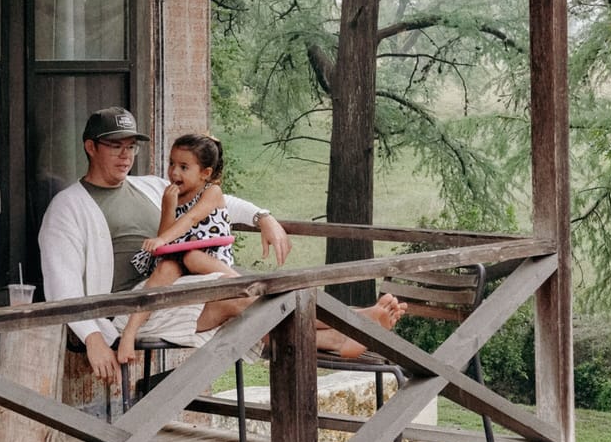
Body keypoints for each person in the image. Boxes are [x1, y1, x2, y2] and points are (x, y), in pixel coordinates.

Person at [39, 106, 406, 387]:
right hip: (126, 310)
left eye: (131, 147)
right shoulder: (69, 207)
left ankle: (335, 338)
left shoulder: (150, 186)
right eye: (115, 146)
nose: (125, 155)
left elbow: (217, 201)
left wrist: (264, 218)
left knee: (256, 294)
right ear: (90, 147)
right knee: (235, 294)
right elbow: (62, 286)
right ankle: (352, 322)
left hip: (174, 289)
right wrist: (92, 338)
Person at [118, 133, 239, 364]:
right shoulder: (173, 195)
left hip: (210, 254)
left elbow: (191, 220)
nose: (174, 172)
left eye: (184, 167)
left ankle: (239, 283)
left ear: (205, 173)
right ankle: (130, 331)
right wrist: (168, 207)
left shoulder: (211, 192)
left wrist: (163, 240)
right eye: (171, 164)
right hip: (180, 254)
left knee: (192, 257)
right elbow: (167, 233)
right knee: (164, 269)